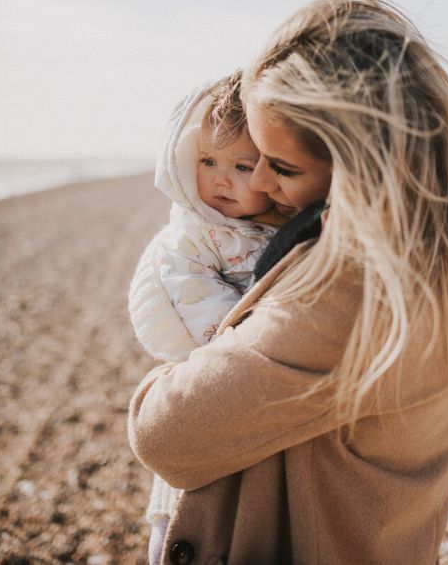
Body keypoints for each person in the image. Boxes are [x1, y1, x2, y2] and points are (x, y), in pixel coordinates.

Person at [128, 0, 448, 564]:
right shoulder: (441, 246)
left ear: (363, 163)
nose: (259, 182)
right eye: (254, 156)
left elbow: (166, 435)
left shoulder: (351, 290)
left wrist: (171, 376)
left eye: (282, 166)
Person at [128, 71, 288, 563]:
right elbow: (197, 302)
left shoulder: (271, 227)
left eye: (243, 165)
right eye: (207, 161)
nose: (221, 179)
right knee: (181, 508)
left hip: (256, 399)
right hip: (211, 369)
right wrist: (232, 338)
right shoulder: (192, 235)